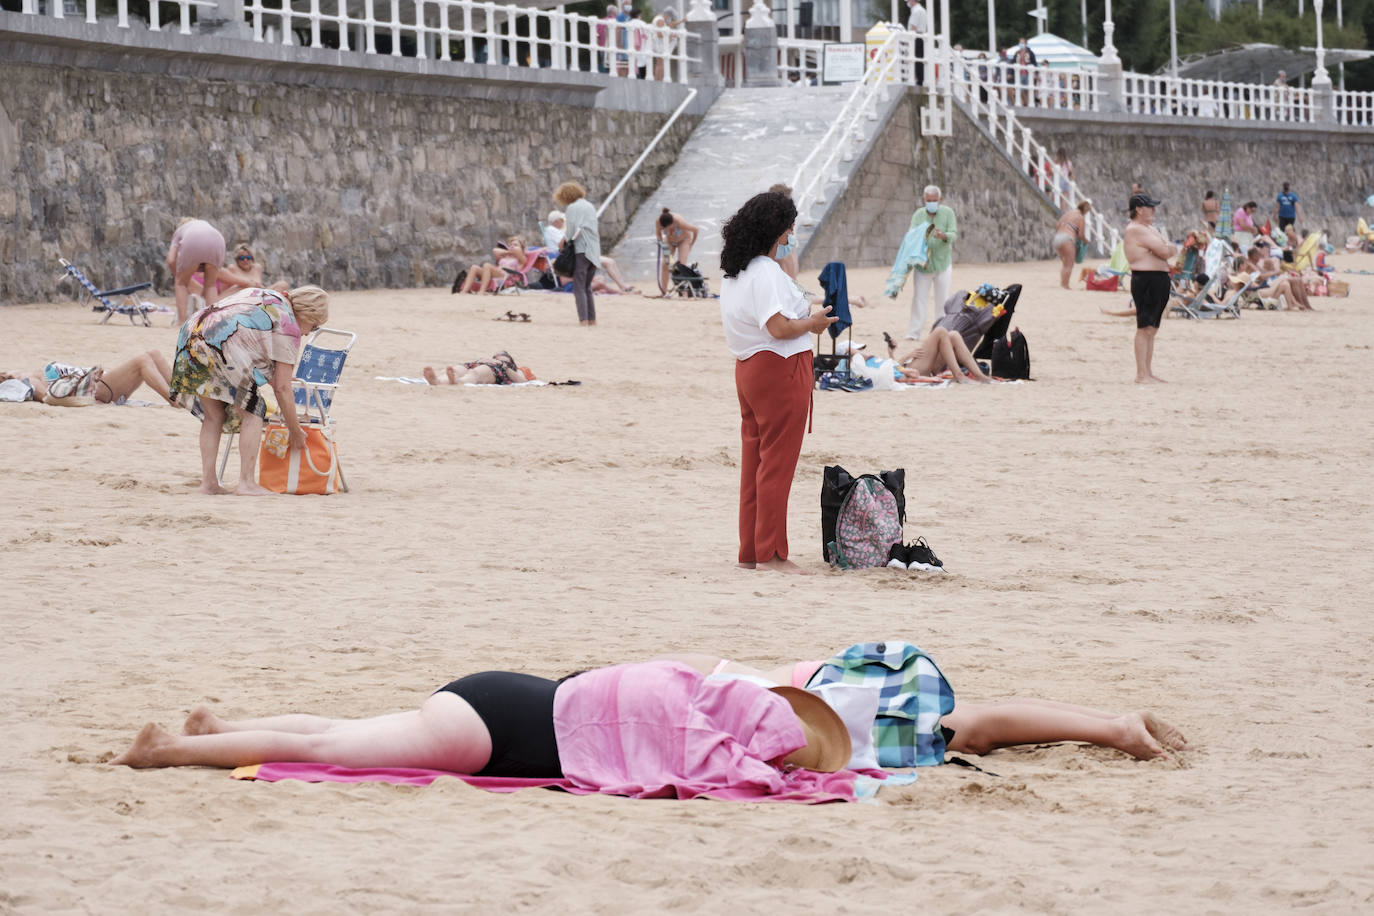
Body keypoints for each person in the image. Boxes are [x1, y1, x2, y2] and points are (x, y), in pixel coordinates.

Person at [109, 661, 850, 778]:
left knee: (346, 726)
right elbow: (735, 777)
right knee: (329, 747)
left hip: (501, 692)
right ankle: (169, 749)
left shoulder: (691, 685)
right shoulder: (698, 748)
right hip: (486, 737)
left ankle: (217, 724)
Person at [659, 652, 1188, 762]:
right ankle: (1110, 721)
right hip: (819, 678)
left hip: (826, 705)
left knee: (979, 728)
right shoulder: (673, 668)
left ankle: (1116, 729)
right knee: (981, 719)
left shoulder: (659, 709)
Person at [719, 191, 836, 575]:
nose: (791, 235)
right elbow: (779, 327)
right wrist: (814, 325)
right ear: (776, 230)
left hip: (750, 369)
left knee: (756, 463)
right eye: (789, 228)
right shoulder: (767, 273)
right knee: (776, 466)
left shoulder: (737, 272)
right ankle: (770, 555)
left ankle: (751, 551)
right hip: (779, 369)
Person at [170, 285, 329, 495]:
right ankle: (246, 483)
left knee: (213, 415)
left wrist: (277, 377)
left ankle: (208, 483)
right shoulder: (289, 324)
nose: (309, 333)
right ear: (309, 314)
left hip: (194, 332)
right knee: (254, 411)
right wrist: (294, 430)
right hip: (223, 344)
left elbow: (253, 342)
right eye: (314, 326)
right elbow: (282, 388)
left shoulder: (266, 294)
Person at [1123, 192, 1178, 384]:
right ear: (1139, 209)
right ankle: (1141, 374)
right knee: (1144, 326)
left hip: (1158, 278)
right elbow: (1165, 250)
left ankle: (1148, 372)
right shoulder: (1136, 229)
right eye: (1150, 206)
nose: (1154, 210)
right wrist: (1166, 249)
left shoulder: (1149, 228)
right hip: (1145, 278)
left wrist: (1166, 249)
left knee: (1152, 328)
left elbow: (1170, 249)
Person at [2, 350, 174, 405]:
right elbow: (48, 397)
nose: (9, 373)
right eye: (5, 375)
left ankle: (183, 392)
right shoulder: (28, 381)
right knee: (142, 360)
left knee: (154, 354)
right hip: (96, 390)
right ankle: (174, 399)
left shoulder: (36, 374)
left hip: (104, 385)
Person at [905, 185, 958, 340]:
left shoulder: (948, 213)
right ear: (924, 200)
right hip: (923, 265)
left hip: (943, 263)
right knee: (919, 299)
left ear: (940, 200)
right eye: (929, 201)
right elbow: (911, 234)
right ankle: (914, 332)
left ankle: (940, 330)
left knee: (942, 300)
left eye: (934, 201)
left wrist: (944, 236)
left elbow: (953, 234)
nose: (932, 203)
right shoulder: (918, 215)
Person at [544, 211, 637, 293]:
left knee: (609, 263)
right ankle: (623, 288)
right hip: (571, 258)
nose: (564, 222)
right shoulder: (553, 230)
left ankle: (623, 286)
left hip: (577, 256)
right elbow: (561, 246)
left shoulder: (567, 230)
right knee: (607, 264)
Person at [553, 181, 601, 326]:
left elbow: (571, 230)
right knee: (587, 286)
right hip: (594, 248)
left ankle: (583, 320)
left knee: (579, 286)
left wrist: (563, 241)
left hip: (582, 249)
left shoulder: (572, 208)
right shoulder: (589, 206)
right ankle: (591, 319)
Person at [166, 218, 226, 324]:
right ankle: (213, 322)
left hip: (192, 240)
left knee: (180, 284)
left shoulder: (180, 231)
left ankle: (181, 322)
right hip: (218, 239)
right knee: (211, 286)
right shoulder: (205, 224)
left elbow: (171, 260)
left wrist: (180, 277)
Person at [885, 327, 991, 383]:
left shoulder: (871, 361)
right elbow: (892, 371)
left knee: (954, 335)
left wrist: (891, 353)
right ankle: (959, 375)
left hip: (919, 368)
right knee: (940, 331)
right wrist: (906, 356)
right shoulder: (871, 366)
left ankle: (980, 376)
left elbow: (892, 366)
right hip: (910, 370)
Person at [1244, 246, 1313, 310]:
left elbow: (1263, 273)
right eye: (1259, 254)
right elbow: (1261, 276)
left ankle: (1304, 304)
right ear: (1254, 256)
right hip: (1261, 289)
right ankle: (1298, 303)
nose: (1260, 256)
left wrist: (1273, 271)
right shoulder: (1250, 264)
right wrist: (1276, 272)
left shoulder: (1255, 264)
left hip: (1264, 286)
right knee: (1290, 279)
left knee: (1293, 281)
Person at [655, 208, 700, 293]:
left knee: (681, 265)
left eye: (669, 228)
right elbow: (658, 234)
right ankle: (664, 291)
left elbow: (696, 230)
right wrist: (662, 244)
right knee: (665, 264)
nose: (668, 230)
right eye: (665, 228)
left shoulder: (679, 222)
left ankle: (683, 292)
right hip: (669, 241)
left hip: (684, 240)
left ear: (673, 223)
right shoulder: (659, 221)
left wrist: (691, 244)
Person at [421, 351, 525, 386]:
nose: (499, 356)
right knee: (457, 369)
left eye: (503, 355)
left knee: (474, 373)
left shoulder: (514, 368)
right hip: (474, 364)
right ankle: (438, 380)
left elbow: (522, 381)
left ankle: (458, 381)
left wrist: (503, 365)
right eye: (497, 355)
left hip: (495, 370)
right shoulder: (487, 359)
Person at [1052, 200, 1091, 289]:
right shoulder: (1080, 217)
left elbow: (1058, 224)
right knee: (1069, 264)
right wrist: (1086, 241)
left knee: (1065, 264)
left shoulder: (1068, 213)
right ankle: (1065, 285)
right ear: (1085, 210)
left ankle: (1063, 283)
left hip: (1058, 238)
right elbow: (1081, 235)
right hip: (1067, 238)